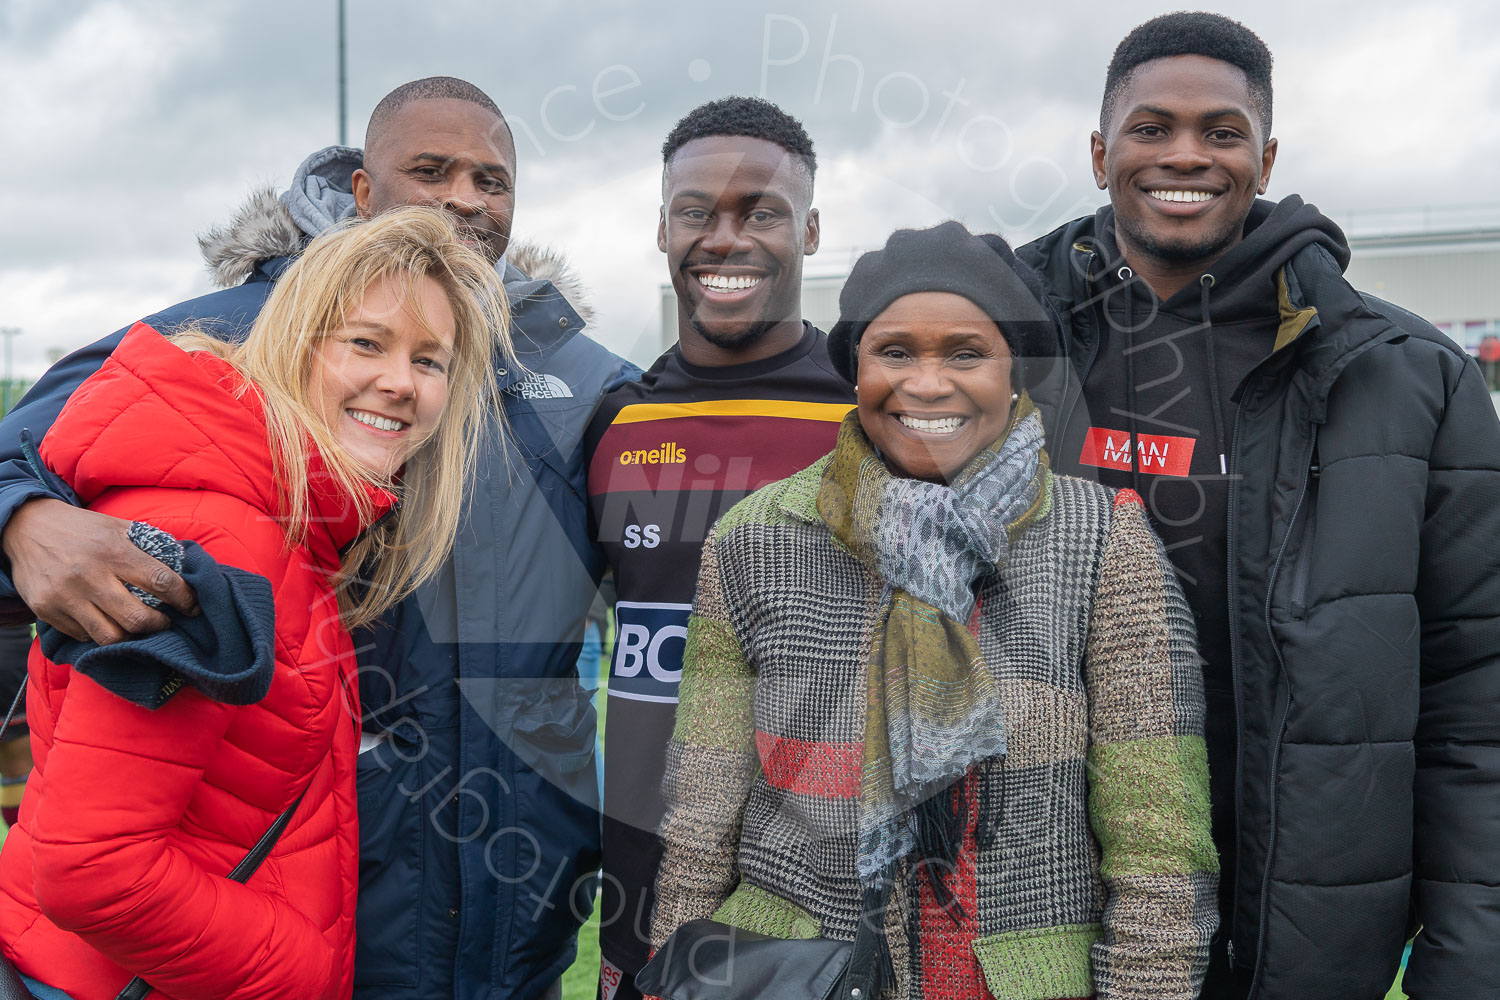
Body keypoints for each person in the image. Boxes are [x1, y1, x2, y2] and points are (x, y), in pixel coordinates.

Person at [0, 76, 637, 999]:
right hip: (328, 908)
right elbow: (36, 453)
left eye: (491, 180)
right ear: (363, 193)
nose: (464, 197)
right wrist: (28, 520)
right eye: (431, 169)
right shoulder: (226, 337)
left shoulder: (577, 374)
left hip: (518, 910)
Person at [1016, 13, 1500, 998]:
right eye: (1151, 128)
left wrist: (1470, 954)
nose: (1185, 153)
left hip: (1300, 939)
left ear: (1265, 154)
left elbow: (1476, 696)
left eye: (1221, 131)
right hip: (1035, 919)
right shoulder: (1004, 351)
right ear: (1102, 151)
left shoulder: (1409, 380)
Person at [649, 221, 1217, 1000]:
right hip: (792, 974)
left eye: (965, 352)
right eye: (895, 352)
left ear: (1013, 371)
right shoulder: (756, 539)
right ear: (855, 368)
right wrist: (673, 970)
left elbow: (1160, 841)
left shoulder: (1098, 539)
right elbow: (700, 821)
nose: (925, 383)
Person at [0, 207, 504, 1000]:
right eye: (366, 343)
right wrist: (304, 975)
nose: (402, 382)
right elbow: (93, 868)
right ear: (294, 346)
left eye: (430, 360)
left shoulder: (281, 524)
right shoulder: (216, 531)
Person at [584, 97, 854, 1000]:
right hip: (639, 900)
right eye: (697, 211)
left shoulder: (869, 423)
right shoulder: (616, 425)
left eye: (762, 213)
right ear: (662, 227)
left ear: (809, 230)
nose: (725, 237)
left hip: (821, 920)